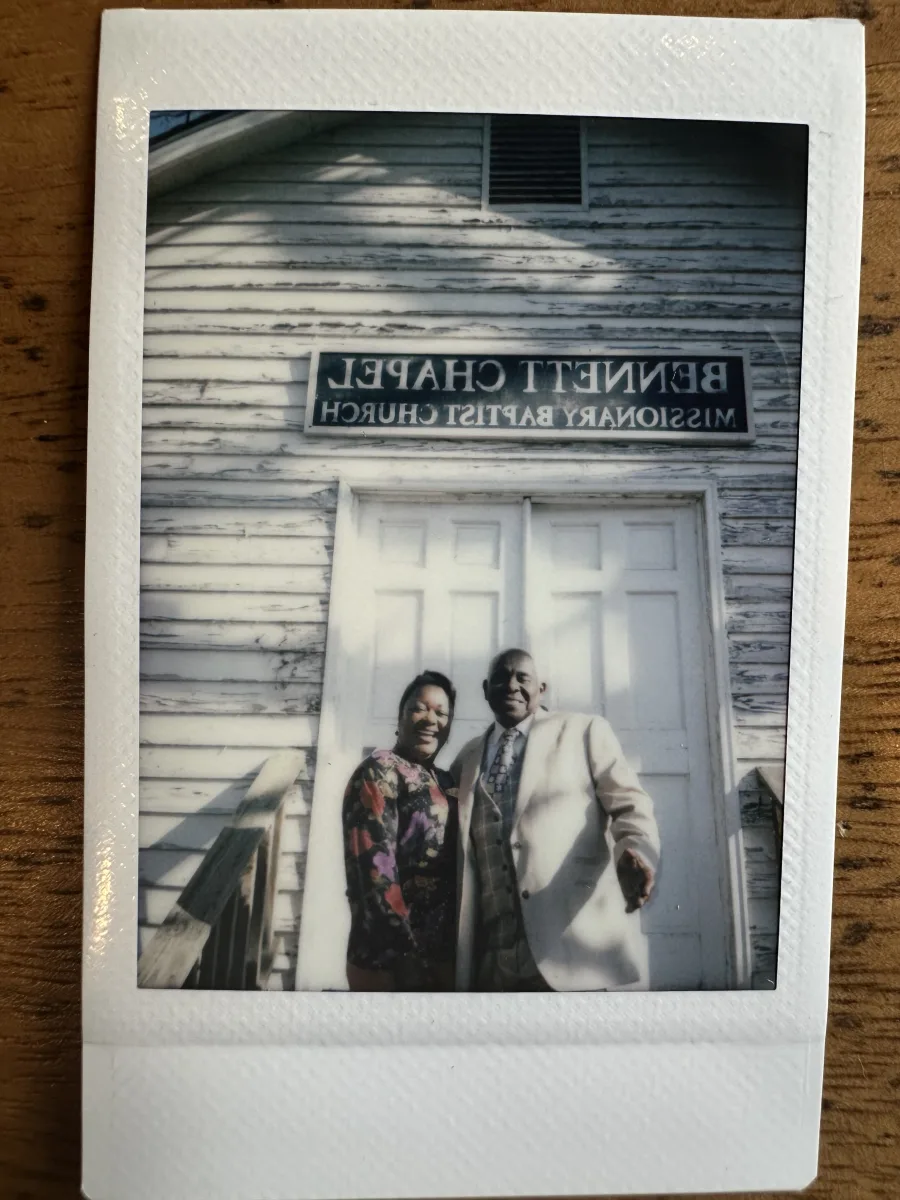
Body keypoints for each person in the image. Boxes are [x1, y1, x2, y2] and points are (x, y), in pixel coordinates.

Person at [452, 648, 660, 992]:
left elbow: (630, 804)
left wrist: (635, 850)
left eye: (523, 677)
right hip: (493, 966)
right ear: (486, 689)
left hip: (571, 953)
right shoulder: (467, 758)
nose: (511, 685)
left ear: (542, 689)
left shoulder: (583, 731)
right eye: (501, 678)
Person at [342, 671, 458, 991]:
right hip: (390, 961)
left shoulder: (446, 781)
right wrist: (403, 956)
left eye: (441, 712)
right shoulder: (380, 771)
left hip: (443, 959)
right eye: (419, 708)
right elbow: (373, 872)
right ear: (401, 715)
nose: (430, 719)